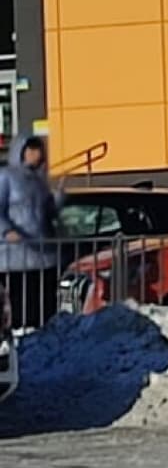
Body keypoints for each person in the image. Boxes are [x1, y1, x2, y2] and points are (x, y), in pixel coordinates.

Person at [0, 134, 62, 331]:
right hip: (15, 255)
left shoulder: (40, 181)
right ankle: (21, 333)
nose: (36, 154)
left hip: (43, 252)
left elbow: (48, 213)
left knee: (44, 303)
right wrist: (6, 231)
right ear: (21, 151)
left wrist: (59, 198)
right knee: (21, 302)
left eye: (39, 150)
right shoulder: (6, 176)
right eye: (31, 150)